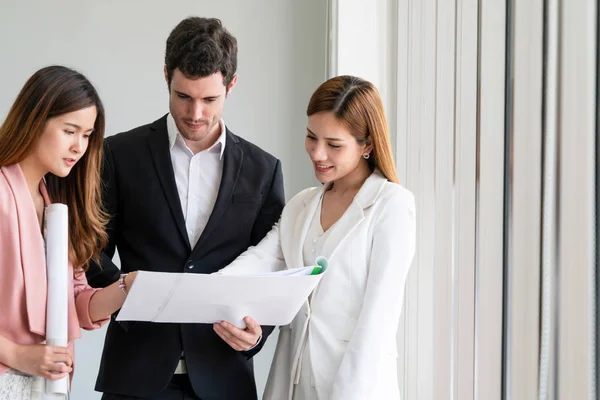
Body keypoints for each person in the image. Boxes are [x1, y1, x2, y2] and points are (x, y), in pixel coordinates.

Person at [86, 17, 285, 399]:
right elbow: (91, 249)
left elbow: (273, 264)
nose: (195, 114)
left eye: (210, 99)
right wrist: (128, 294)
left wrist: (256, 333)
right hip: (135, 374)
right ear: (166, 76)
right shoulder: (118, 154)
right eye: (183, 96)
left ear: (232, 85)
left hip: (224, 375)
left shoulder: (264, 169)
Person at [217, 75, 416, 400]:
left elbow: (378, 320)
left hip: (355, 386)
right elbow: (259, 262)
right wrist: (198, 292)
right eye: (312, 137)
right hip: (292, 383)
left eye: (334, 145)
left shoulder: (392, 205)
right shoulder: (302, 205)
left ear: (366, 145)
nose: (318, 153)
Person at [0, 65, 138, 400]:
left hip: (46, 385)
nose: (79, 146)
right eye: (69, 130)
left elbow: (74, 302)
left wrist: (127, 288)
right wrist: (17, 354)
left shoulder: (58, 207)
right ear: (35, 120)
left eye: (87, 135)